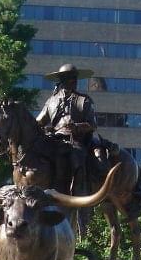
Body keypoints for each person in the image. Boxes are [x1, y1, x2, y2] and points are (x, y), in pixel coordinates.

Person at [36, 63, 98, 196]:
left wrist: (76, 127)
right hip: (54, 139)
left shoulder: (84, 100)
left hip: (75, 140)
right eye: (71, 78)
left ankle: (80, 192)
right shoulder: (51, 101)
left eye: (75, 78)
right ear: (62, 80)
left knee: (78, 156)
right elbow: (39, 122)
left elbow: (92, 125)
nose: (74, 81)